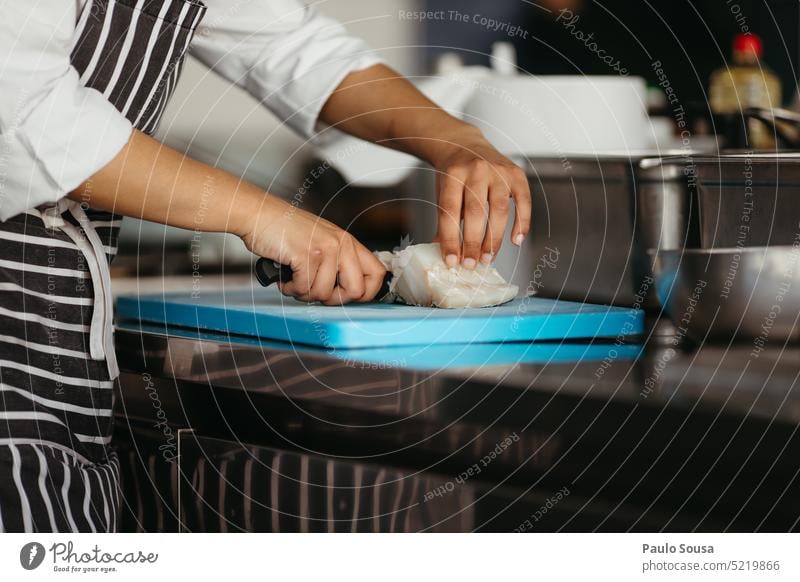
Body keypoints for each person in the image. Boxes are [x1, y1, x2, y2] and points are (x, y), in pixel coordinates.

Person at [0, 0, 530, 532]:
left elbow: (295, 49)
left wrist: (456, 140)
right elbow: (26, 111)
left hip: (65, 367)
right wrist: (259, 215)